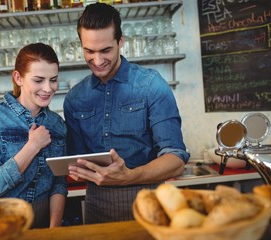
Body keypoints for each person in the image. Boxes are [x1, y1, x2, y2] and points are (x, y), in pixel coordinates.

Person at [63, 2, 190, 224]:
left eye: (106, 50)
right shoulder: (74, 98)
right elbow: (76, 162)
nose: (98, 60)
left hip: (148, 203)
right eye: (89, 51)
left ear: (120, 42)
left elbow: (176, 159)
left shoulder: (152, 85)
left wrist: (129, 176)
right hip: (96, 207)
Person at [0, 43, 67, 228]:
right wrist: (32, 146)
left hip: (43, 223)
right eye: (39, 80)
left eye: (53, 79)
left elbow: (59, 182)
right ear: (18, 78)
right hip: (0, 225)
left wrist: (54, 230)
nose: (48, 88)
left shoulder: (57, 123)